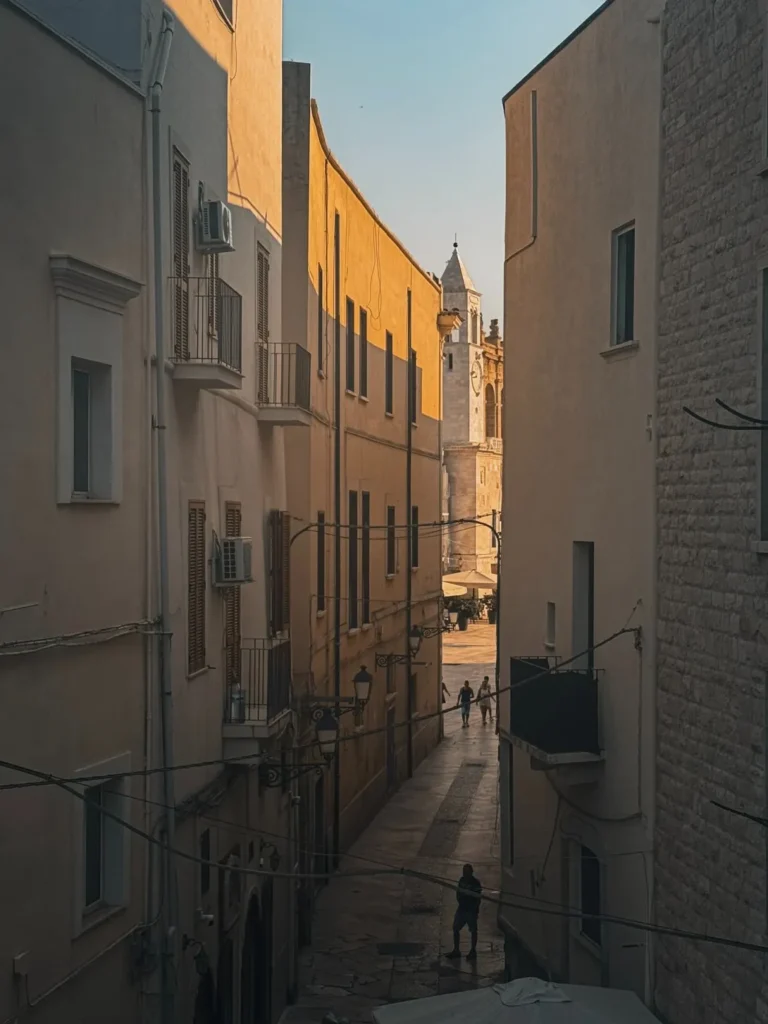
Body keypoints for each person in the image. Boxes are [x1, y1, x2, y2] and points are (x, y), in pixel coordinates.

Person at [446, 863, 482, 960]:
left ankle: (473, 951)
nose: (465, 874)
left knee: (473, 931)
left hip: (471, 911)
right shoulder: (462, 880)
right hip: (462, 909)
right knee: (455, 928)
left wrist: (474, 908)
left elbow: (478, 898)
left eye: (466, 872)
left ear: (471, 872)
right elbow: (458, 893)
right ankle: (456, 950)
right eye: (464, 872)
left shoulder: (475, 883)